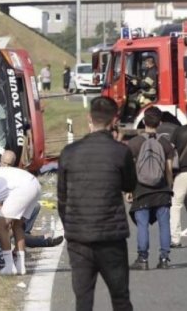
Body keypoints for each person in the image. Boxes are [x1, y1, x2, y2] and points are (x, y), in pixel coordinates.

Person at [57, 96, 136, 311]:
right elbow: (129, 185)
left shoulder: (69, 153)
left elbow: (62, 199)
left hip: (79, 239)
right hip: (111, 237)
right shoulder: (121, 152)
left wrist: (71, 227)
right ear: (114, 121)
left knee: (83, 300)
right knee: (120, 297)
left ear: (89, 118)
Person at [0, 150, 41, 275]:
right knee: (17, 224)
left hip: (24, 187)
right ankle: (20, 266)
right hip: (35, 183)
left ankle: (9, 267)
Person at [127, 106, 173, 270]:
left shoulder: (134, 143)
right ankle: (164, 259)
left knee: (142, 225)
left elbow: (130, 169)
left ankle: (143, 259)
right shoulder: (165, 143)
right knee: (164, 225)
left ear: (144, 122)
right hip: (162, 191)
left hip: (141, 191)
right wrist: (169, 188)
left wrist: (129, 190)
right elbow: (168, 171)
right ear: (160, 122)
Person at [170, 124, 187, 248]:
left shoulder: (179, 130)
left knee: (176, 204)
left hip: (183, 173)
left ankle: (175, 239)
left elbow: (171, 150)